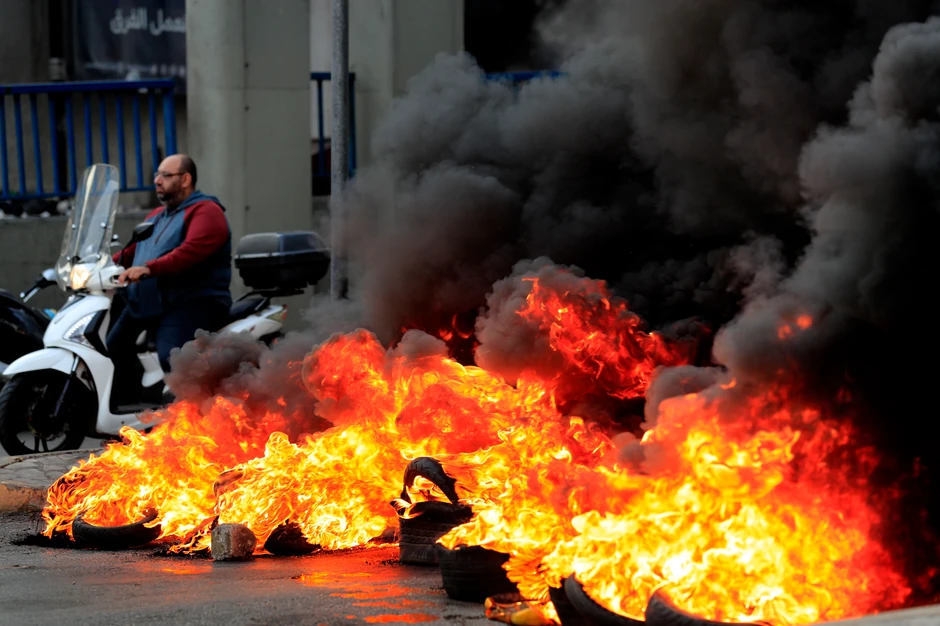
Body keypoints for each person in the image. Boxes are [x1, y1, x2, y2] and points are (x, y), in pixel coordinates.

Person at [106, 154, 232, 380]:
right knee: (111, 349)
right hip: (149, 302)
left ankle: (195, 410)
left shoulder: (206, 211)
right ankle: (136, 405)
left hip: (191, 301)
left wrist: (148, 269)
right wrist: (101, 265)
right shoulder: (157, 215)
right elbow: (133, 252)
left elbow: (189, 252)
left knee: (171, 358)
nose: (157, 180)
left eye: (165, 175)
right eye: (157, 175)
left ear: (185, 179)